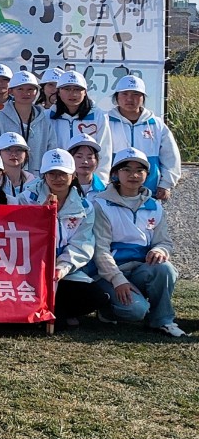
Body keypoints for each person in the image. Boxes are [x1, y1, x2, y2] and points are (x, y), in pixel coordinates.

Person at [92, 148, 186, 337]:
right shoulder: (101, 204)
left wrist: (160, 250)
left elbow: (164, 241)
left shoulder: (154, 206)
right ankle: (107, 309)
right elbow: (100, 250)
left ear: (147, 175)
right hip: (110, 274)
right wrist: (118, 280)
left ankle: (162, 320)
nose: (133, 175)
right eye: (126, 169)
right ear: (115, 174)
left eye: (139, 170)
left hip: (140, 270)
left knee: (165, 268)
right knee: (135, 310)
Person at [19, 148, 110, 326]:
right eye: (52, 173)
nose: (58, 178)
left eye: (63, 174)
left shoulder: (85, 207)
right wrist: (42, 215)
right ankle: (52, 314)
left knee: (96, 297)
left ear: (73, 175)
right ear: (44, 175)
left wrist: (62, 267)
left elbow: (82, 244)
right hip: (31, 267)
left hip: (64, 271)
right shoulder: (27, 199)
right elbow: (23, 235)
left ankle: (56, 312)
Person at [106, 74, 181, 201]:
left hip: (150, 192)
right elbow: (100, 157)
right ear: (117, 96)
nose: (130, 98)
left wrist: (166, 184)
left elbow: (170, 156)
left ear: (143, 97)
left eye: (136, 94)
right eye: (125, 94)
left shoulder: (156, 124)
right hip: (112, 191)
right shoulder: (106, 122)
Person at [49, 71, 112, 183]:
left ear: (85, 92)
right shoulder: (47, 117)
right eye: (67, 89)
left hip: (88, 180)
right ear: (58, 92)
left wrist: (100, 182)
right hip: (57, 180)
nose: (72, 94)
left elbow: (104, 151)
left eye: (77, 89)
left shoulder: (98, 116)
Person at [0, 70, 51, 164]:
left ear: (37, 92)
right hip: (7, 172)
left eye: (30, 89)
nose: (26, 93)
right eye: (20, 89)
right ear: (11, 91)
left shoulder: (45, 120)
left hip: (39, 172)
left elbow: (51, 148)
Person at [0, 132, 31, 202]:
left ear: (26, 154)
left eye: (19, 150)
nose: (13, 154)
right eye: (8, 149)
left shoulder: (35, 182)